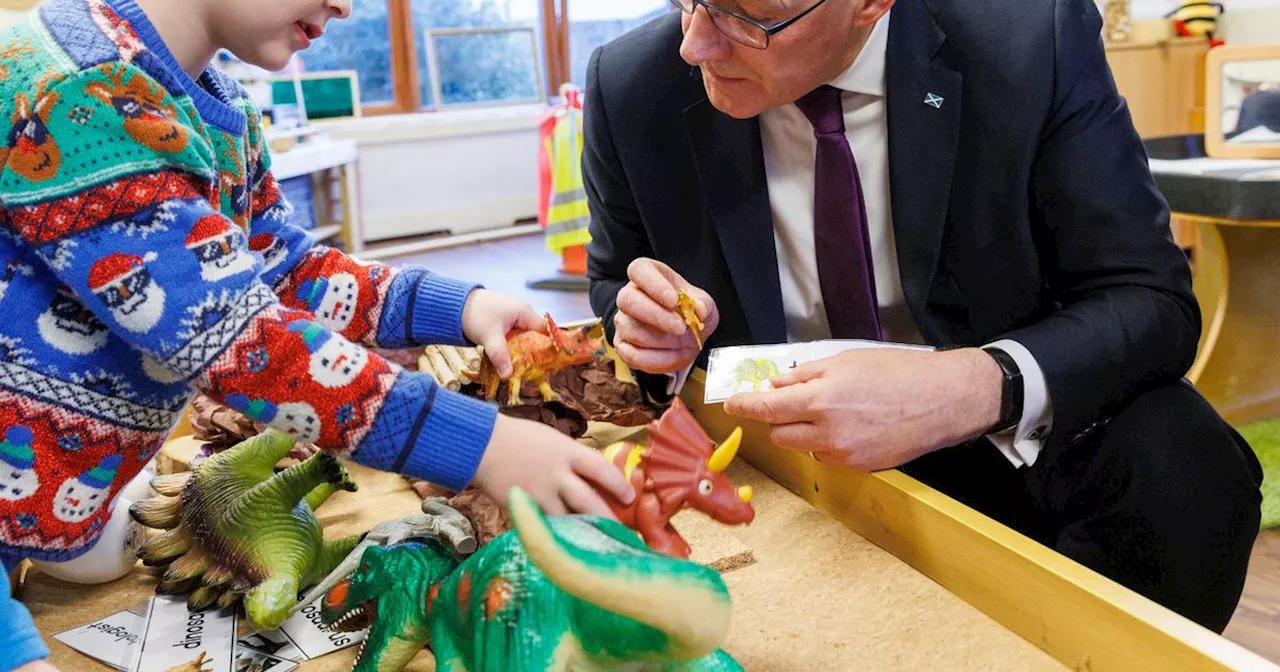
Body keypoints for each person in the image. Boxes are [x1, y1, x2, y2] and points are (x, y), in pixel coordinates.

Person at [583, 0, 1263, 632]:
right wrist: (640, 320)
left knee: (1188, 471)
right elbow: (615, 277)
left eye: (748, 18)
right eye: (688, 0)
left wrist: (975, 386)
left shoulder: (1030, 39)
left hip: (997, 431)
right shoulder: (631, 82)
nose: (695, 44)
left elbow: (1150, 297)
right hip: (777, 451)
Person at [0, 0, 633, 669]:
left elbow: (288, 269)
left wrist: (464, 307)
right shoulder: (77, 89)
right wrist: (480, 444)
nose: (346, 5)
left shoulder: (220, 104)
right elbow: (236, 337)